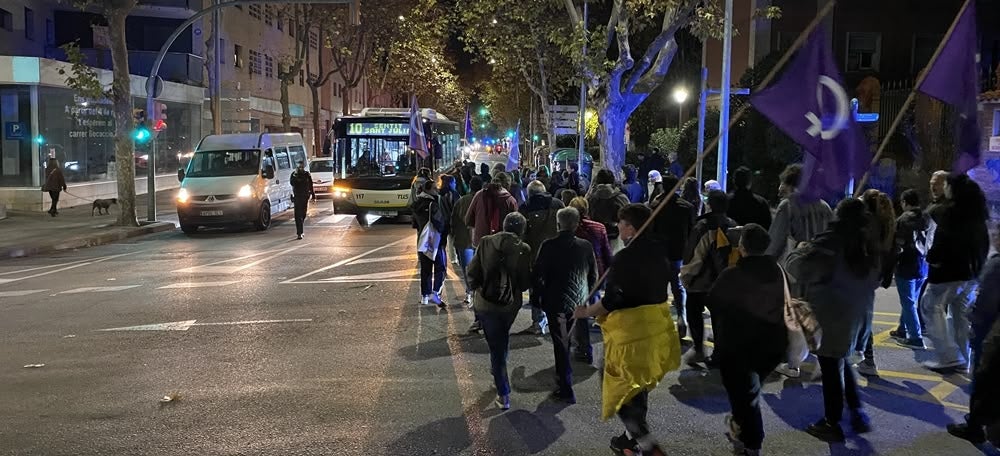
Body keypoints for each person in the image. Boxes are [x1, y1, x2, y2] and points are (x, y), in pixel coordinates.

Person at [573, 204, 680, 456]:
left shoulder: (624, 259)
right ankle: (630, 439)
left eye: (621, 223)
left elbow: (610, 301)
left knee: (617, 387)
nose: (617, 227)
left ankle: (646, 442)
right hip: (657, 330)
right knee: (638, 386)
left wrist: (585, 312)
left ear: (630, 228)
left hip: (631, 334)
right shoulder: (659, 252)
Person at [787, 198, 879, 443]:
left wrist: (801, 248)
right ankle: (857, 411)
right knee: (839, 360)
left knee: (830, 367)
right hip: (857, 312)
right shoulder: (867, 242)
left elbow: (799, 269)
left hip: (832, 312)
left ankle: (832, 422)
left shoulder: (829, 242)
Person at [710, 224, 787, 456]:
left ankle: (752, 443)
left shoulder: (733, 274)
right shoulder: (777, 271)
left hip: (739, 348)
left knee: (744, 396)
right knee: (748, 392)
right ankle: (741, 426)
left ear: (742, 247)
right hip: (773, 345)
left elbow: (713, 302)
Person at [768, 164, 834, 378]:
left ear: (790, 183)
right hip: (821, 269)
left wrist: (766, 264)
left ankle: (793, 363)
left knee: (793, 314)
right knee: (814, 314)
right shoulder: (824, 206)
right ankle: (820, 357)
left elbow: (776, 241)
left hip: (795, 268)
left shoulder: (788, 206)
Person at [921, 174, 991, 373]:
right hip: (971, 273)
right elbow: (984, 244)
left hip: (949, 271)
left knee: (930, 306)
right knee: (959, 314)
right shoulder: (977, 214)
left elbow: (944, 240)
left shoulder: (952, 213)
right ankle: (962, 356)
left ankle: (949, 356)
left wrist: (933, 258)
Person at [466, 212, 533, 410]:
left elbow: (472, 271)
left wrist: (476, 287)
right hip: (509, 305)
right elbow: (523, 283)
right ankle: (499, 375)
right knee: (500, 341)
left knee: (496, 345)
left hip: (485, 303)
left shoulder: (486, 243)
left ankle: (503, 391)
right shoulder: (523, 249)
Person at [531, 207, 598, 404]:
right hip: (580, 300)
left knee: (561, 345)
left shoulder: (548, 246)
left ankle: (565, 387)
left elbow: (538, 275)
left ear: (558, 224)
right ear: (576, 224)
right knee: (575, 334)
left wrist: (538, 298)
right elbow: (593, 274)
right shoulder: (585, 246)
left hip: (556, 301)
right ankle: (585, 354)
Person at [948, 226, 1000, 444]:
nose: (994, 236)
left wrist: (974, 322)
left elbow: (985, 302)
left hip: (990, 332)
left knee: (982, 377)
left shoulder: (996, 264)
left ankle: (975, 426)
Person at [681, 189, 738, 367]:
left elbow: (695, 256)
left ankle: (699, 350)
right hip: (725, 282)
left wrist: (686, 276)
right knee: (719, 318)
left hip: (701, 281)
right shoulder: (733, 225)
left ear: (709, 204)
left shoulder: (703, 226)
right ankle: (719, 354)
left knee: (694, 313)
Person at [852, 189, 896, 377]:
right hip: (873, 274)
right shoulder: (885, 221)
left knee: (859, 316)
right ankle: (862, 355)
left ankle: (866, 358)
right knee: (862, 314)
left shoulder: (867, 222)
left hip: (862, 273)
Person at [567, 197, 614, 364]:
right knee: (593, 299)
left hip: (577, 276)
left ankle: (584, 349)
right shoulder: (599, 227)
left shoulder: (570, 230)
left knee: (579, 312)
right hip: (597, 273)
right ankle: (601, 324)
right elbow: (607, 252)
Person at [650, 173, 695, 339]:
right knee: (678, 286)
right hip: (678, 251)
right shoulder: (687, 207)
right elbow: (692, 230)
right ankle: (682, 318)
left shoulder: (656, 205)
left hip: (660, 252)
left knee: (660, 286)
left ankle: (661, 322)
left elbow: (651, 230)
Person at [520, 180, 565, 336]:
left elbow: (522, 233)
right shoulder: (558, 204)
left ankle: (538, 322)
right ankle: (558, 320)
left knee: (536, 289)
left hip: (535, 256)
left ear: (529, 193)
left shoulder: (525, 207)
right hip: (558, 254)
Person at [890, 189, 931, 349]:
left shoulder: (903, 220)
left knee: (908, 302)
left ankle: (915, 337)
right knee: (911, 300)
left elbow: (897, 244)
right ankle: (903, 328)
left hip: (906, 265)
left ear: (905, 202)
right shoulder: (927, 217)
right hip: (923, 265)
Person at [412, 180, 448, 307]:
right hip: (435, 240)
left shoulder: (416, 204)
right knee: (440, 267)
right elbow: (439, 223)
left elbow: (414, 224)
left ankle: (424, 296)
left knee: (425, 269)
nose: (436, 190)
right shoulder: (433, 204)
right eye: (434, 188)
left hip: (422, 240)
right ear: (428, 189)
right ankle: (435, 292)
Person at [465, 172, 518, 248]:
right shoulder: (511, 201)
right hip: (501, 244)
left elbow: (468, 219)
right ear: (508, 185)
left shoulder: (480, 194)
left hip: (481, 243)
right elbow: (515, 226)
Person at [453, 177, 483, 306]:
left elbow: (454, 220)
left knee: (467, 268)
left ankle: (470, 291)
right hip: (482, 240)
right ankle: (478, 292)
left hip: (464, 240)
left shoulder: (462, 201)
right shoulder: (485, 200)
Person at [588, 169, 631, 252]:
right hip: (615, 235)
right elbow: (630, 215)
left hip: (595, 235)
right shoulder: (620, 197)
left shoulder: (591, 198)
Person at [289, 160, 315, 240]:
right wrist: (295, 176)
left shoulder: (307, 174)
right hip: (297, 197)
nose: (300, 168)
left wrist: (313, 196)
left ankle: (300, 227)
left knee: (303, 214)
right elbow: (292, 183)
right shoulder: (294, 175)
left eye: (301, 166)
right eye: (299, 167)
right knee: (298, 215)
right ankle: (299, 233)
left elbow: (311, 185)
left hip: (305, 197)